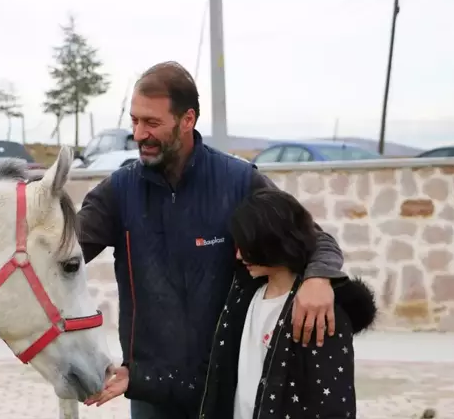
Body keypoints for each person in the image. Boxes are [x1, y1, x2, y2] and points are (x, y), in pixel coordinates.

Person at [79, 61, 348, 419]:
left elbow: (315, 240)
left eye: (152, 123)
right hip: (150, 390)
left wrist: (318, 278)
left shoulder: (237, 182)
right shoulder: (118, 192)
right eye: (135, 121)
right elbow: (62, 253)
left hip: (226, 386)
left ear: (187, 120)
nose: (139, 133)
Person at [198, 187, 377, 418]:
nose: (239, 256)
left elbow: (332, 402)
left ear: (272, 241)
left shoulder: (318, 310)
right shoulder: (243, 294)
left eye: (247, 246)